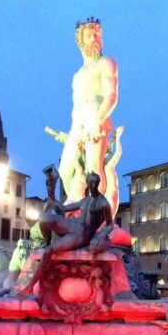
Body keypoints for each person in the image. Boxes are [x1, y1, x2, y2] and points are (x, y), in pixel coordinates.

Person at [47, 17, 119, 211]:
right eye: (90, 35)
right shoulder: (77, 75)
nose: (95, 38)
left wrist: (98, 119)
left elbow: (111, 96)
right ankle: (78, 203)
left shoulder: (106, 62)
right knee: (65, 168)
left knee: (94, 168)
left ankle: (95, 211)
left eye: (98, 34)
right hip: (77, 124)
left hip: (96, 117)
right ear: (80, 41)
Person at [18, 171, 114, 297]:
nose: (92, 186)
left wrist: (102, 234)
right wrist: (50, 190)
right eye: (90, 183)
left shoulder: (103, 203)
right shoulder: (85, 200)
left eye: (94, 183)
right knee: (45, 219)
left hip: (81, 234)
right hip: (72, 224)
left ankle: (30, 286)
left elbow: (110, 224)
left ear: (97, 184)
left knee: (49, 251)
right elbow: (62, 209)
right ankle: (46, 242)